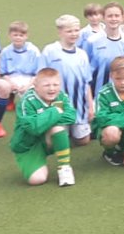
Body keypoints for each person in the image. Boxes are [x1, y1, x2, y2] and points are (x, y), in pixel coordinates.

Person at [9, 68, 77, 186]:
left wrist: (43, 120)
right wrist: (55, 111)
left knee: (58, 129)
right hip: (27, 145)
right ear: (35, 86)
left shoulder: (61, 96)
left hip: (46, 138)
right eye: (47, 85)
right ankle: (36, 162)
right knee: (37, 180)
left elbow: (72, 117)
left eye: (56, 84)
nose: (52, 89)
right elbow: (33, 128)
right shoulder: (27, 101)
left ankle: (64, 168)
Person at [39, 14, 93, 146]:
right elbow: (40, 79)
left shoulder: (82, 54)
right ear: (60, 32)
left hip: (78, 106)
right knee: (55, 140)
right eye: (69, 31)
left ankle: (73, 130)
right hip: (57, 105)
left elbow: (86, 83)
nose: (73, 34)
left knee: (83, 141)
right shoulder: (50, 51)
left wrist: (90, 106)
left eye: (76, 30)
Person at [87, 2, 124, 102]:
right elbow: (85, 70)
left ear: (123, 17)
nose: (113, 19)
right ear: (103, 18)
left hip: (117, 96)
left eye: (117, 16)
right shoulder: (92, 41)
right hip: (94, 95)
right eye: (110, 16)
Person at [0, 21, 41, 100]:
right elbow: (3, 73)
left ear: (26, 36)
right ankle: (10, 99)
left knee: (31, 96)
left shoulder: (33, 51)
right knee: (3, 85)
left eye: (21, 35)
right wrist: (12, 84)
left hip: (29, 78)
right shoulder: (5, 51)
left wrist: (28, 85)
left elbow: (38, 73)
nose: (18, 37)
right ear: (10, 36)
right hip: (11, 78)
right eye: (15, 35)